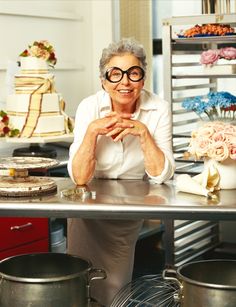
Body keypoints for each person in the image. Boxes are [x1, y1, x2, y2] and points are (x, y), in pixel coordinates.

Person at [67, 37, 175, 306]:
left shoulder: (158, 109)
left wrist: (144, 133)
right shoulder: (88, 107)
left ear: (143, 77)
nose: (125, 82)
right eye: (115, 74)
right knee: (80, 280)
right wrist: (92, 132)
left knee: (116, 283)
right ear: (103, 80)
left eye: (133, 73)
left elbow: (161, 174)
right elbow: (80, 178)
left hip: (129, 207)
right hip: (87, 209)